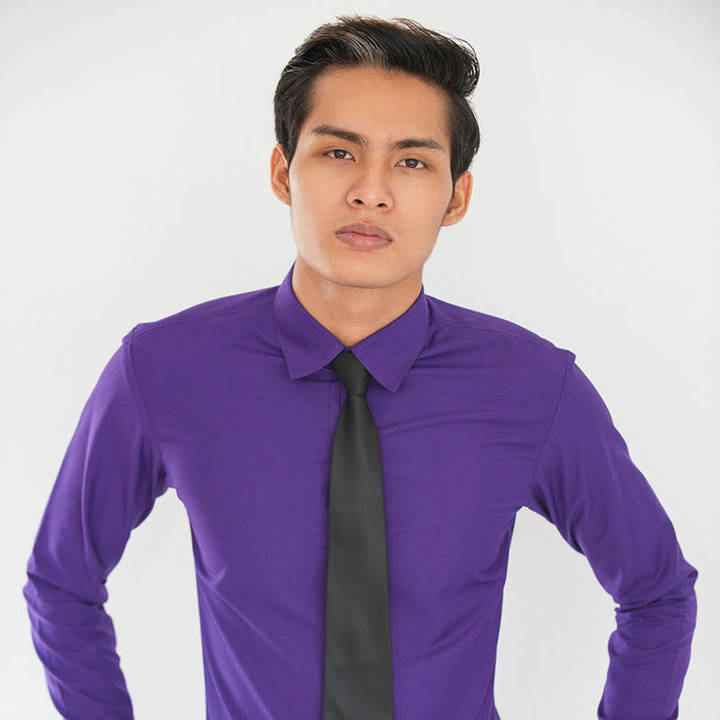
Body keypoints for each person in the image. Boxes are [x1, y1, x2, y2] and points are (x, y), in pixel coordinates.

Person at [22, 13, 698, 720]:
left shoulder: (535, 388)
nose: (371, 192)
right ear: (283, 172)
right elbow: (62, 582)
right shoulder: (164, 370)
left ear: (456, 197)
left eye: (412, 162)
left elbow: (656, 594)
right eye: (339, 152)